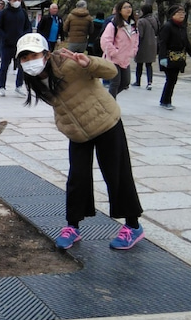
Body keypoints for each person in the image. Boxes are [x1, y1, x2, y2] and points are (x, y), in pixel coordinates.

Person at [16, 33, 145, 250]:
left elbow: (112, 72)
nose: (30, 61)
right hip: (77, 132)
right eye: (25, 58)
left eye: (34, 55)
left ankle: (133, 226)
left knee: (117, 174)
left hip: (105, 123)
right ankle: (72, 227)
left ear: (46, 54)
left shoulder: (70, 63)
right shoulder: (34, 78)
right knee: (77, 178)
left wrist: (89, 62)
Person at [158, 5, 191, 110]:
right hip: (169, 57)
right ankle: (165, 101)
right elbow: (162, 43)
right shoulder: (167, 26)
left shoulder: (182, 27)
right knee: (170, 79)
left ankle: (165, 100)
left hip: (179, 58)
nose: (182, 15)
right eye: (179, 13)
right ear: (173, 15)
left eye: (183, 13)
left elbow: (186, 42)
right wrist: (162, 57)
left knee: (173, 80)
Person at [100, 0, 139, 100]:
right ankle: (111, 107)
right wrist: (114, 52)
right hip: (113, 58)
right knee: (115, 82)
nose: (128, 9)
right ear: (119, 10)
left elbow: (136, 40)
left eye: (129, 7)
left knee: (125, 82)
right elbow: (105, 40)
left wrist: (133, 51)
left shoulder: (133, 25)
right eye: (125, 7)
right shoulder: (113, 24)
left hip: (125, 59)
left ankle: (107, 99)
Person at [0, 0, 32, 97]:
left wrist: (25, 36)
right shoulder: (4, 13)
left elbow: (28, 27)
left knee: (21, 66)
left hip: (20, 44)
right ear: (10, 1)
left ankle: (19, 86)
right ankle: (2, 86)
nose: (17, 2)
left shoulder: (23, 13)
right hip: (7, 44)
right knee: (4, 66)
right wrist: (5, 36)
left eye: (19, 0)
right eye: (15, 0)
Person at [133, 3, 159, 90]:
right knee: (149, 65)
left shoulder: (141, 21)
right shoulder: (154, 19)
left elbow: (140, 35)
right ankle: (149, 82)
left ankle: (138, 81)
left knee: (139, 64)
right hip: (152, 44)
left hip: (143, 45)